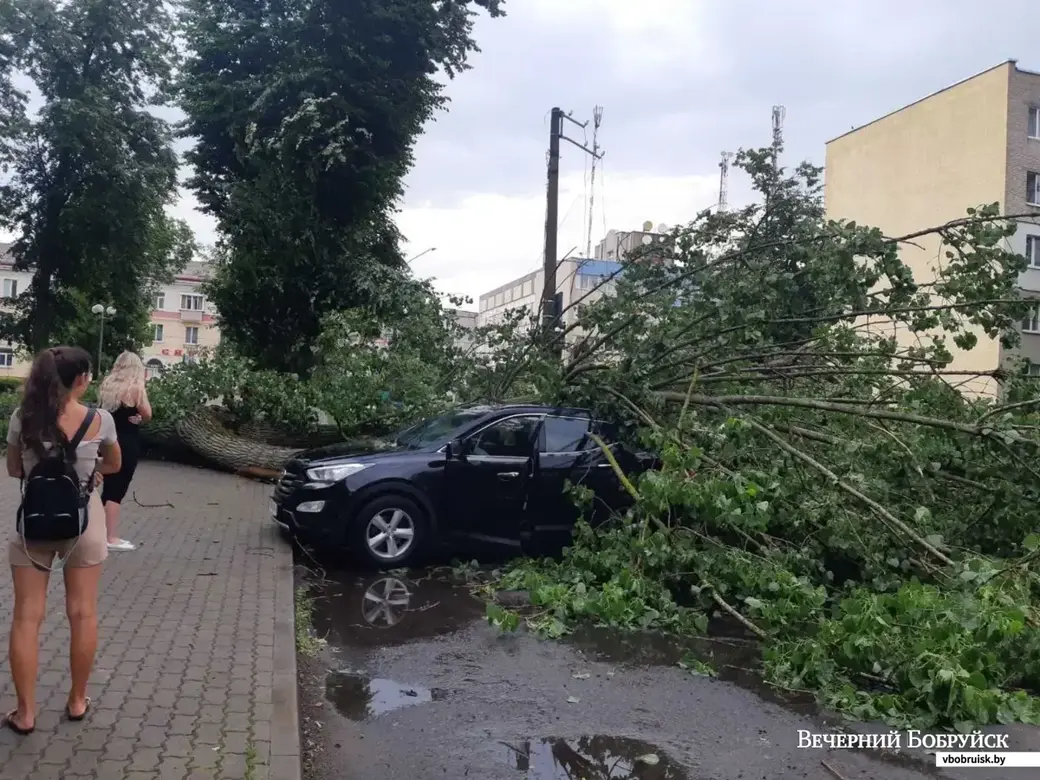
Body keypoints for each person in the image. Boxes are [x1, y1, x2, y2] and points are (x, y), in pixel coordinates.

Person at [3, 346, 121, 735]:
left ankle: (26, 714)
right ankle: (77, 700)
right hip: (83, 523)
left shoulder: (24, 417)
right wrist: (90, 473)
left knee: (26, 617)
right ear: (80, 379)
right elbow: (115, 464)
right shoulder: (99, 419)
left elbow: (15, 468)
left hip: (33, 525)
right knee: (83, 612)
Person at [97, 351, 151, 551]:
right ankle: (110, 537)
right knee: (117, 491)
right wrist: (139, 418)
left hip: (106, 441)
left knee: (106, 486)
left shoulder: (106, 386)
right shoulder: (135, 389)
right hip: (126, 443)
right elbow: (147, 414)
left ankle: (98, 534)